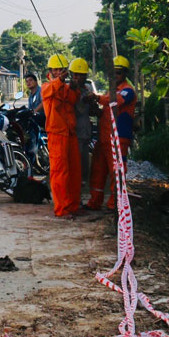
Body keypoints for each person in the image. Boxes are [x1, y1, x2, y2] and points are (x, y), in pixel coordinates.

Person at [87, 56, 138, 211]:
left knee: (117, 172)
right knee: (98, 171)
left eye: (118, 73)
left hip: (118, 139)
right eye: (113, 72)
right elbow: (107, 109)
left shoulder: (128, 91)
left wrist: (97, 97)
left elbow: (115, 101)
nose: (115, 76)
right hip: (103, 138)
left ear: (125, 73)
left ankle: (115, 205)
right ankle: (95, 202)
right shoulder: (111, 90)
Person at [41, 54, 82, 218]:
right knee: (59, 172)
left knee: (74, 171)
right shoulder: (46, 87)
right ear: (50, 72)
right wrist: (60, 81)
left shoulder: (65, 88)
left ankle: (72, 205)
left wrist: (73, 86)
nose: (58, 72)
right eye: (55, 70)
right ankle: (62, 209)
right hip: (56, 134)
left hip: (70, 133)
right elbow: (49, 91)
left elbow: (73, 99)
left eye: (61, 70)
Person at [69, 58, 96, 195]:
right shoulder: (70, 90)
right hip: (75, 132)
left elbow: (91, 112)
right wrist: (83, 101)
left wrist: (92, 102)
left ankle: (82, 187)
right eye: (75, 74)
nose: (77, 78)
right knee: (77, 165)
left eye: (80, 75)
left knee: (85, 164)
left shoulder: (86, 89)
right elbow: (76, 110)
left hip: (85, 132)